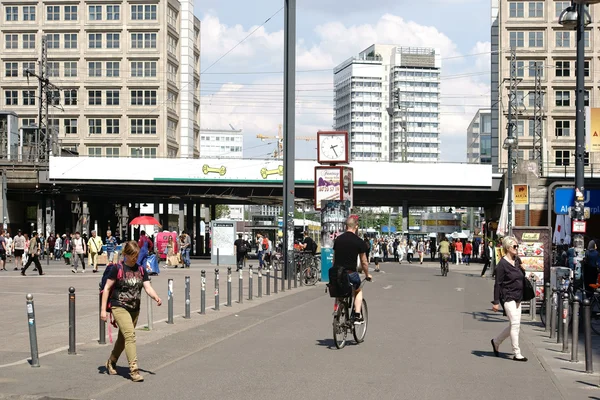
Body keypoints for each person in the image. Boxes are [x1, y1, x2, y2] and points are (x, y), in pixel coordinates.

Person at [101, 241, 162, 382]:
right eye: (132, 256)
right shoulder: (117, 269)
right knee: (130, 336)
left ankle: (111, 361)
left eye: (136, 255)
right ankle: (134, 370)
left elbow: (147, 287)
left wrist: (156, 297)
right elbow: (107, 289)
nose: (135, 258)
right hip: (119, 306)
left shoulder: (141, 270)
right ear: (125, 255)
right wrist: (103, 310)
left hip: (134, 308)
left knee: (123, 339)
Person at [491, 236, 528, 362]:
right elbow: (498, 284)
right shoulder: (502, 265)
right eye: (515, 246)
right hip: (507, 297)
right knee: (515, 324)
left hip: (518, 296)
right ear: (507, 248)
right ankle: (517, 353)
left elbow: (520, 277)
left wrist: (524, 270)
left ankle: (496, 341)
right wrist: (496, 302)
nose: (517, 249)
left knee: (514, 325)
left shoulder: (517, 261)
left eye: (517, 246)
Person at [332, 216, 372, 324]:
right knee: (358, 290)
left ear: (346, 226)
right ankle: (358, 315)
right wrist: (367, 274)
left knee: (339, 290)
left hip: (337, 273)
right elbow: (364, 262)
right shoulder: (359, 241)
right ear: (356, 226)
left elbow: (334, 259)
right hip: (350, 273)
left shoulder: (338, 240)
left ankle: (337, 310)